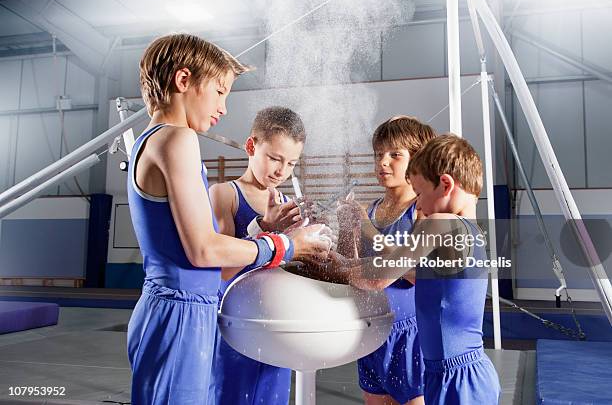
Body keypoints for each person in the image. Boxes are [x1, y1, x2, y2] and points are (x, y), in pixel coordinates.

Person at [126, 34, 331, 405]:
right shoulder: (177, 139)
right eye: (220, 92)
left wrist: (264, 231)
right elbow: (205, 250)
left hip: (179, 308)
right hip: (181, 311)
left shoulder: (152, 139)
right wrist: (288, 245)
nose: (223, 107)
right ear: (184, 81)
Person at [322, 134, 501, 404]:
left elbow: (378, 276)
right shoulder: (473, 232)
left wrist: (333, 265)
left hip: (454, 377)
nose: (418, 204)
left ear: (445, 185)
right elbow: (401, 264)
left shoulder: (441, 223)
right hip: (463, 372)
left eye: (419, 193)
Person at [209, 106, 308, 405]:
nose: (282, 171)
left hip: (276, 327)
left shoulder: (287, 203)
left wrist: (314, 246)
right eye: (275, 158)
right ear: (252, 146)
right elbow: (222, 271)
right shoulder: (224, 194)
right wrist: (265, 228)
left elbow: (290, 267)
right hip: (234, 325)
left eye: (291, 163)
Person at [344, 116, 435, 405]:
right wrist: (347, 227)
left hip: (410, 335)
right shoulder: (370, 209)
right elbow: (350, 265)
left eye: (395, 155)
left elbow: (421, 272)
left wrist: (367, 228)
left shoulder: (422, 211)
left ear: (416, 160)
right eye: (378, 154)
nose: (383, 162)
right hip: (371, 332)